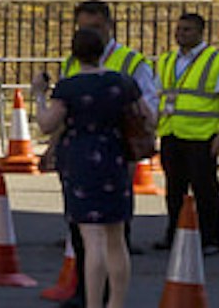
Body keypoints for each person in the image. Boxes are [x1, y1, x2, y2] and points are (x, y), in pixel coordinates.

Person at [40, 16, 155, 308]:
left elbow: (47, 124)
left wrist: (39, 95)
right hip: (114, 156)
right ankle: (116, 302)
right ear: (103, 50)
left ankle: (93, 303)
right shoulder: (123, 82)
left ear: (75, 53)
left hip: (80, 157)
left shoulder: (69, 87)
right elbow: (148, 118)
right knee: (116, 238)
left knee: (91, 240)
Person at [153, 7, 219, 257]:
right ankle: (174, 234)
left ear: (200, 32)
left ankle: (210, 239)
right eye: (178, 29)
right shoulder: (167, 60)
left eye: (187, 30)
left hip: (202, 136)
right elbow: (159, 96)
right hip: (172, 133)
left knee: (205, 190)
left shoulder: (216, 61)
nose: (180, 34)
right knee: (174, 189)